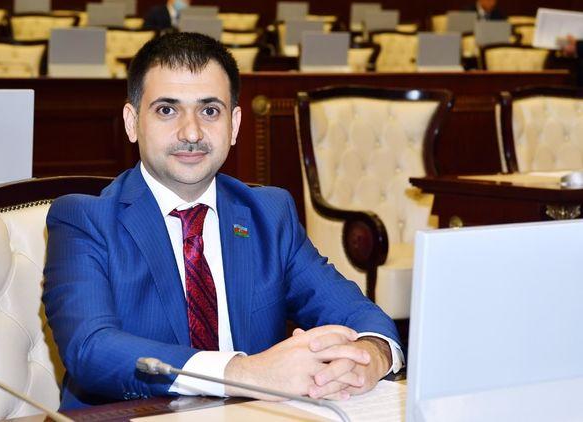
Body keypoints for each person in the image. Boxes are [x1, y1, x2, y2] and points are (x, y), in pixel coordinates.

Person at [42, 32, 403, 410]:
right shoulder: (84, 220)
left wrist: (370, 356)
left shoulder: (269, 214)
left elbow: (358, 313)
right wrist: (243, 372)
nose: (191, 132)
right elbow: (90, 348)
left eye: (210, 111)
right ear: (132, 123)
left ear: (234, 124)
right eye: (167, 110)